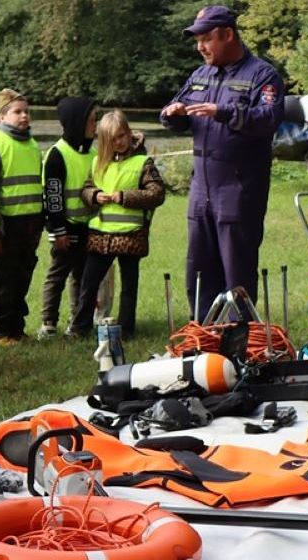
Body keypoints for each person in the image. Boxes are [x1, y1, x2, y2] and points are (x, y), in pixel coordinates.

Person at [160, 4, 285, 313]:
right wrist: (171, 115)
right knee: (198, 267)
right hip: (201, 189)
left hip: (239, 188)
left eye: (206, 39)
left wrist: (225, 111)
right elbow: (175, 109)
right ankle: (203, 337)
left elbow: (268, 119)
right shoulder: (201, 74)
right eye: (197, 40)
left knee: (236, 269)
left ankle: (239, 339)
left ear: (228, 35)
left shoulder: (262, 75)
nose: (200, 47)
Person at [69, 111, 166, 338]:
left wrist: (124, 197)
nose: (119, 142)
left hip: (131, 236)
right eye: (113, 139)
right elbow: (85, 189)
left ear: (129, 133)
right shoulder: (97, 163)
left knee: (128, 287)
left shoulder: (143, 162)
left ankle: (126, 329)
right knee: (88, 284)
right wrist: (94, 195)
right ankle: (80, 327)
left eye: (122, 136)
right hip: (101, 235)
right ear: (104, 141)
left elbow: (157, 194)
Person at [0, 89, 43, 344]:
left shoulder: (31, 144)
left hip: (31, 223)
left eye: (26, 111)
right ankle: (2, 330)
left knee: (24, 275)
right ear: (2, 116)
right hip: (7, 224)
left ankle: (18, 327)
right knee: (5, 278)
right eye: (17, 112)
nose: (24, 116)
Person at [38, 97, 97, 339]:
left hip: (89, 227)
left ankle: (78, 319)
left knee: (83, 277)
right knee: (58, 274)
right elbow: (53, 197)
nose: (96, 124)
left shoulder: (93, 152)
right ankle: (48, 322)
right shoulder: (57, 154)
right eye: (92, 120)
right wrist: (57, 230)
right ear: (78, 122)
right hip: (66, 227)